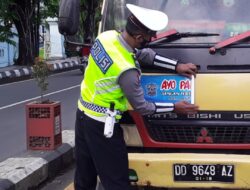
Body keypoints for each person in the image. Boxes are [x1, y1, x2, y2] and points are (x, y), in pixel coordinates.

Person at [74, 3, 199, 190]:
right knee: (116, 181)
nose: (152, 39)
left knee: (85, 176)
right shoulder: (127, 70)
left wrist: (176, 66)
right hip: (102, 126)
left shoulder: (106, 37)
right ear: (139, 37)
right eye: (150, 37)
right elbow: (143, 107)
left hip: (82, 114)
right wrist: (175, 107)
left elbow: (143, 54)